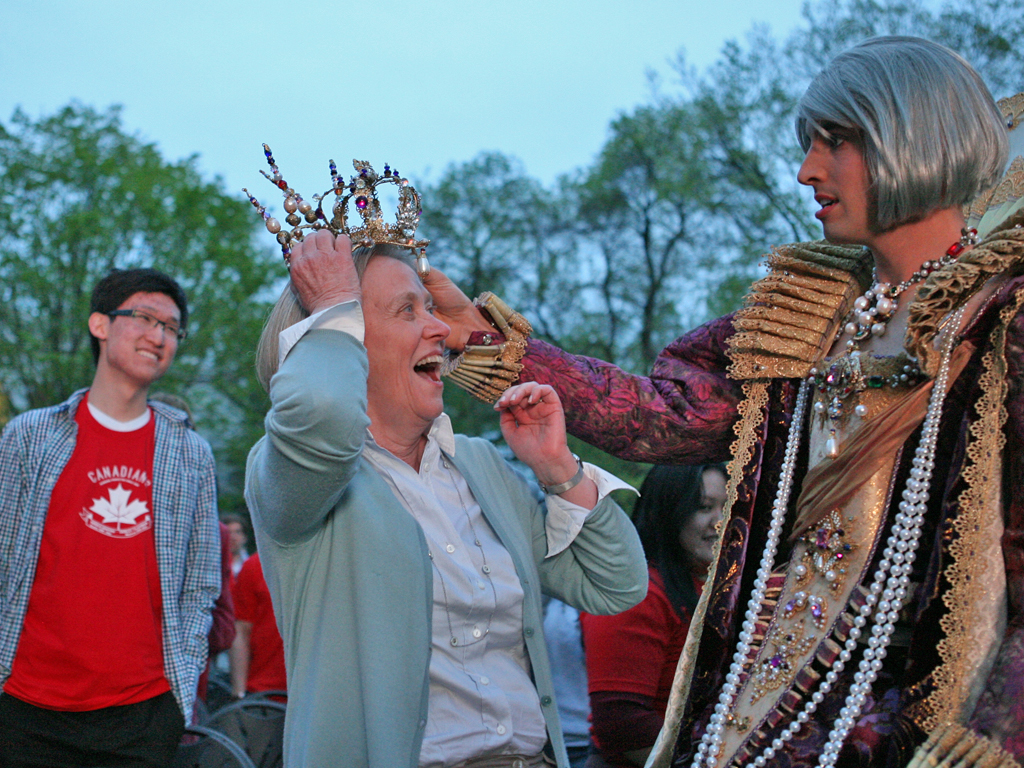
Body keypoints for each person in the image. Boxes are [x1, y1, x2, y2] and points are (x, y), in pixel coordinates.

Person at [426, 37, 1024, 767]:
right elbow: (663, 416)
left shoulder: (1006, 322)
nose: (808, 170)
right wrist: (484, 342)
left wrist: (995, 739)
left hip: (921, 716)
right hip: (768, 702)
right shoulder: (809, 314)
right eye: (810, 144)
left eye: (838, 143)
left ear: (919, 138)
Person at [243, 159, 648, 768]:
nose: (441, 329)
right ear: (344, 339)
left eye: (428, 309)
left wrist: (558, 468)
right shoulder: (298, 476)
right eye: (407, 311)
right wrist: (329, 305)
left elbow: (614, 587)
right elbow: (321, 413)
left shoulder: (481, 466)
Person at [0, 268, 221, 767]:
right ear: (100, 325)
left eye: (171, 327)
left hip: (142, 715)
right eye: (144, 317)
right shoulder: (30, 436)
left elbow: (201, 585)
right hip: (22, 706)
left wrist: (177, 695)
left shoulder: (190, 454)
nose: (159, 335)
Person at [580, 464, 726, 768]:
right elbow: (622, 723)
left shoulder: (713, 584)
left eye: (728, 506)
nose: (720, 521)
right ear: (668, 512)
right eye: (704, 507)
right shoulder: (635, 592)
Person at [229, 551, 286, 699]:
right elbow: (241, 631)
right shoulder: (256, 565)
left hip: (324, 696)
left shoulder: (335, 564)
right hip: (264, 693)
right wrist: (239, 692)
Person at [221, 511, 249, 578]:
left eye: (238, 532)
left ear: (244, 537)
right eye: (228, 532)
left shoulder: (252, 564)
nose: (233, 537)